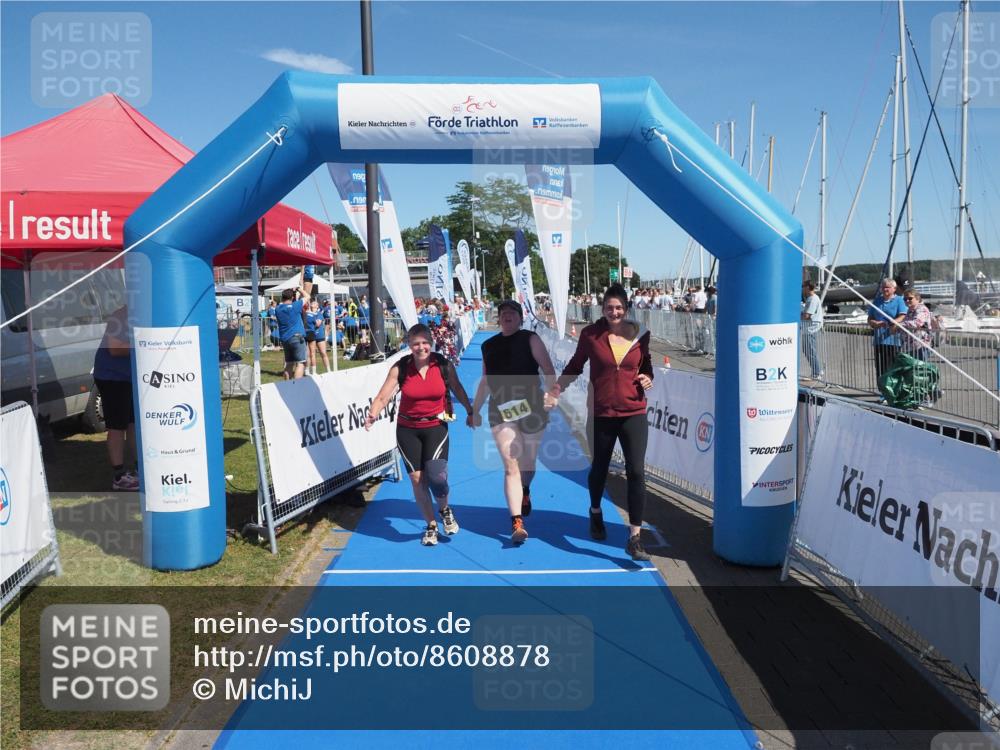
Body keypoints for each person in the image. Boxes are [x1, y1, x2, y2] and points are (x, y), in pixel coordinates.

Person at [550, 283, 654, 561]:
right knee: (599, 469)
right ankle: (595, 511)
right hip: (601, 414)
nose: (614, 311)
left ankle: (635, 538)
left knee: (637, 473)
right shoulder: (591, 335)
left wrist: (648, 377)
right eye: (609, 307)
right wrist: (556, 389)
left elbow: (646, 365)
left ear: (627, 309)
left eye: (619, 307)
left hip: (634, 412)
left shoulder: (641, 334)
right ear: (603, 309)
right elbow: (574, 365)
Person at [365, 324, 475, 546]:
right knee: (417, 479)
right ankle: (431, 525)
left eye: (425, 342)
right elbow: (383, 396)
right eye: (416, 344)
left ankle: (445, 509)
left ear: (431, 343)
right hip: (407, 429)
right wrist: (372, 414)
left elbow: (457, 388)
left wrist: (470, 411)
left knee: (436, 476)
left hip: (436, 425)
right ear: (409, 345)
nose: (421, 347)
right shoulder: (401, 368)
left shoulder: (442, 365)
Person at [469, 300, 558, 544]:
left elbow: (548, 369)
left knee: (528, 463)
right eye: (503, 313)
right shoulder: (488, 345)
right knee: (511, 465)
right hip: (500, 410)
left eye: (512, 313)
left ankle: (525, 491)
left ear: (520, 318)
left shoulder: (530, 339)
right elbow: (486, 381)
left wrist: (552, 394)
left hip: (532, 407)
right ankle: (516, 521)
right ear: (498, 319)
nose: (507, 316)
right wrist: (474, 411)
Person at [93, 305, 138, 491]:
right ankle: (119, 476)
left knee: (133, 423)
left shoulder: (145, 314)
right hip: (112, 376)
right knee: (117, 426)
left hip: (129, 376)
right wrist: (145, 344)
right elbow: (115, 349)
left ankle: (138, 468)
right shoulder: (119, 316)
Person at [897, 290, 938, 407]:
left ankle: (928, 397)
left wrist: (899, 325)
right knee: (915, 372)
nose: (907, 301)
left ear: (917, 298)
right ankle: (927, 394)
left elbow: (917, 323)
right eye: (905, 299)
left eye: (910, 298)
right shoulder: (910, 310)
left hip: (921, 346)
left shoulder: (922, 309)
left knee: (921, 372)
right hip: (911, 346)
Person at [867, 278, 907, 388]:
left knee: (892, 367)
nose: (885, 289)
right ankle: (882, 390)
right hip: (879, 340)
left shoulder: (899, 300)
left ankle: (893, 389)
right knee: (880, 367)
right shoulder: (877, 301)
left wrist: (892, 322)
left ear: (894, 289)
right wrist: (874, 322)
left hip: (894, 339)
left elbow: (902, 316)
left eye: (888, 287)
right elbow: (870, 317)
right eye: (883, 287)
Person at [274, 287, 310, 379]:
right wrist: (299, 289)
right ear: (292, 298)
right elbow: (307, 296)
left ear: (282, 298)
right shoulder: (295, 306)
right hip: (297, 338)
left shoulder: (277, 309)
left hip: (285, 339)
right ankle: (296, 387)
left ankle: (287, 386)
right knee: (301, 363)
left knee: (289, 364)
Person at [800, 281, 824, 380]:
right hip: (808, 328)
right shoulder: (811, 298)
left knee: (810, 350)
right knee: (807, 350)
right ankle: (817, 370)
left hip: (811, 328)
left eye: (803, 287)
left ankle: (817, 372)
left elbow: (806, 315)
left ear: (807, 287)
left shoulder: (812, 299)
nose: (802, 289)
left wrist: (797, 315)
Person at [306, 300, 331, 375]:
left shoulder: (319, 314)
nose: (312, 304)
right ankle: (308, 371)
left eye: (314, 303)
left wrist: (312, 319)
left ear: (317, 306)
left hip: (319, 335)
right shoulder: (308, 313)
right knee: (309, 354)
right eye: (312, 303)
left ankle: (328, 370)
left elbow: (318, 324)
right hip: (310, 335)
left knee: (323, 353)